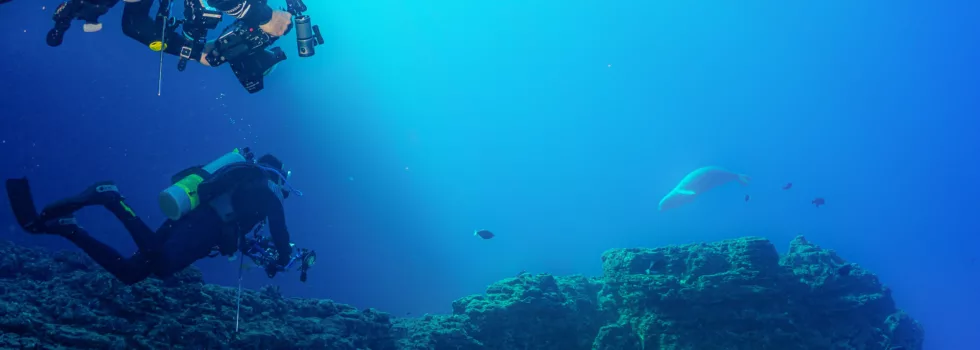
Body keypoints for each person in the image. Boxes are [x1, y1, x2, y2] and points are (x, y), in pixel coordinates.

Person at [4, 149, 298, 285]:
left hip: (191, 219)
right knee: (161, 263)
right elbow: (279, 229)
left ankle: (70, 230)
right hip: (202, 227)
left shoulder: (243, 182)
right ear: (277, 174)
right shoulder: (267, 187)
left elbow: (236, 225)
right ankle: (113, 199)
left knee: (133, 273)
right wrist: (284, 257)